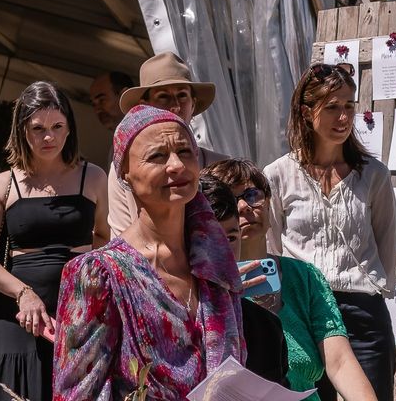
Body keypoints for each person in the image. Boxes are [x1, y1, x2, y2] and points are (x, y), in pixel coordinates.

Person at [53, 105, 245, 400]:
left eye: (185, 152)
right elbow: (78, 394)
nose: (176, 165)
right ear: (126, 173)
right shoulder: (99, 274)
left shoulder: (216, 270)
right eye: (157, 156)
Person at [0, 81, 109, 401]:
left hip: (78, 307)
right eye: (38, 128)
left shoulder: (94, 177)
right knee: (16, 388)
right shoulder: (4, 183)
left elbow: (107, 239)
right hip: (18, 311)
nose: (49, 137)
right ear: (21, 131)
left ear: (70, 129)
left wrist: (89, 286)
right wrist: (23, 293)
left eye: (58, 126)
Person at [263, 63, 396, 401]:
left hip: (362, 310)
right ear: (307, 112)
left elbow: (386, 241)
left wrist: (377, 290)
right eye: (332, 107)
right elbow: (272, 247)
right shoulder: (278, 175)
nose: (343, 118)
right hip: (303, 309)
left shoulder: (374, 176)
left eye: (349, 106)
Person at [203, 159, 376, 401]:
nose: (243, 206)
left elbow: (339, 362)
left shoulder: (305, 278)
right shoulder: (200, 286)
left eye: (252, 194)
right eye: (231, 199)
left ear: (269, 202)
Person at [107, 51, 227, 237]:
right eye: (163, 96)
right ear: (143, 105)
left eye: (182, 96)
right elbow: (122, 237)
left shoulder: (221, 166)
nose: (175, 106)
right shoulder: (123, 170)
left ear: (193, 104)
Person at [199, 174, 289, 387]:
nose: (224, 252)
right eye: (209, 239)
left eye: (231, 238)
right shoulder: (163, 318)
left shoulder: (266, 328)